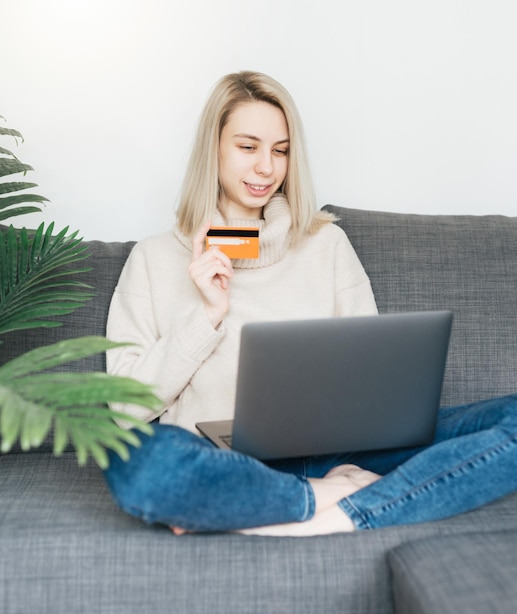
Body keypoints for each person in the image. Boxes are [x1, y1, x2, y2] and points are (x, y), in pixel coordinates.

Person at [104, 70, 517, 536]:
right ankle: (332, 497)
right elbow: (121, 411)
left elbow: (376, 382)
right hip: (222, 460)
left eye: (280, 151)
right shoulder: (154, 258)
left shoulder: (326, 245)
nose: (267, 168)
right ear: (212, 149)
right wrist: (206, 316)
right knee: (135, 459)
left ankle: (304, 510)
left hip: (338, 452)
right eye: (248, 147)